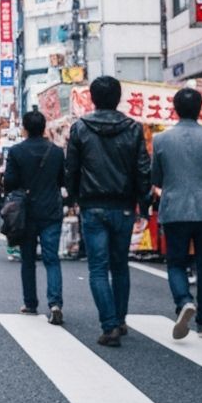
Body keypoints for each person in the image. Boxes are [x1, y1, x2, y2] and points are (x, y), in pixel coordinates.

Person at [64, 76, 151, 348]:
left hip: (92, 205)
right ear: (118, 97)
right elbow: (142, 170)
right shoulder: (133, 128)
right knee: (119, 266)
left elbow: (72, 169)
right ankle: (120, 320)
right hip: (124, 205)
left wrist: (75, 197)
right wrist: (144, 204)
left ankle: (109, 324)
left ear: (93, 98)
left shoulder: (80, 128)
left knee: (98, 268)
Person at [150, 88, 202, 340]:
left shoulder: (161, 140)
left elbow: (156, 176)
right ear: (200, 109)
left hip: (174, 207)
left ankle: (184, 300)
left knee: (176, 263)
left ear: (175, 109)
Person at [4, 111, 66, 323]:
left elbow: (10, 182)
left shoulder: (16, 151)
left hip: (26, 212)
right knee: (52, 258)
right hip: (51, 210)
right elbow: (62, 180)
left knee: (28, 259)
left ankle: (30, 303)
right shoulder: (56, 152)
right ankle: (55, 303)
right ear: (44, 127)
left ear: (25, 128)